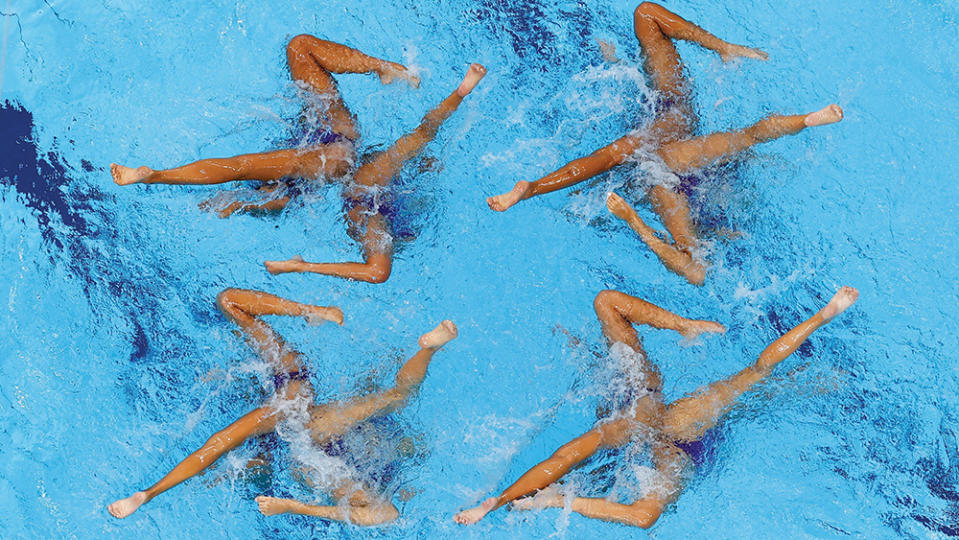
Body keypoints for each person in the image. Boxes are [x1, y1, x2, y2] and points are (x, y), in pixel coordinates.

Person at [486, 2, 843, 285]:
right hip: (673, 158)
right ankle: (805, 117)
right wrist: (721, 46)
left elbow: (695, 273)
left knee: (627, 158)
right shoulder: (671, 119)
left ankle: (531, 189)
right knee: (731, 140)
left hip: (663, 173)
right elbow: (695, 273)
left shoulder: (653, 160)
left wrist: (631, 220)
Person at [454, 286, 858, 528]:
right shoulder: (653, 420)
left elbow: (643, 517)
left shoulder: (674, 457)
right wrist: (822, 315)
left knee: (761, 384)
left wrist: (556, 501)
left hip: (663, 437)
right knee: (606, 303)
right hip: (650, 423)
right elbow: (759, 366)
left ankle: (511, 499)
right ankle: (683, 324)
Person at [111, 35, 486, 283]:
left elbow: (377, 272)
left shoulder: (372, 191)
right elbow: (377, 272)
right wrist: (302, 266)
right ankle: (159, 177)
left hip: (334, 142)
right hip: (333, 150)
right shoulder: (373, 188)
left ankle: (158, 176)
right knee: (253, 172)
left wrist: (461, 91)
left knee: (257, 174)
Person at [107, 288, 458, 525]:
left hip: (306, 448)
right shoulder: (294, 384)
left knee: (250, 466)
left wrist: (292, 507)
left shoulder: (281, 407)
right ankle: (427, 349)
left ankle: (424, 349)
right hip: (314, 433)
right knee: (396, 397)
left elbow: (214, 445)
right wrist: (311, 311)